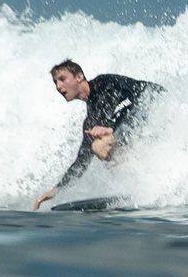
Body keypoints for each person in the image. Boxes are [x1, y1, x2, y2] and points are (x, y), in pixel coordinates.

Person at [32, 60, 160, 209]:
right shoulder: (91, 120)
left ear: (79, 77)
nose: (59, 86)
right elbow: (82, 159)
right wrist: (57, 189)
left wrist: (112, 127)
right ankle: (150, 182)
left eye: (62, 79)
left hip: (155, 101)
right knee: (100, 148)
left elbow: (132, 98)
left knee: (104, 142)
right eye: (55, 82)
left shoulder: (105, 82)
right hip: (143, 122)